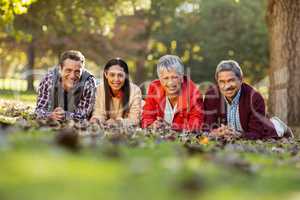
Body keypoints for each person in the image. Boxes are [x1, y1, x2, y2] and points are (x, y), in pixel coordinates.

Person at [203, 60, 293, 140]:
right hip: (234, 131)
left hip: (257, 129)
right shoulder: (211, 96)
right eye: (222, 82)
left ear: (241, 79)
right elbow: (208, 127)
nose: (227, 86)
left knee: (270, 132)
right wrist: (216, 132)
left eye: (231, 80)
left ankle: (278, 124)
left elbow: (256, 133)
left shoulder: (255, 98)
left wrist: (239, 135)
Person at [142, 55, 204, 132]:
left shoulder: (194, 94)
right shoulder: (154, 88)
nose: (170, 82)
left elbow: (196, 126)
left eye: (174, 77)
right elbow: (146, 117)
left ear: (181, 77)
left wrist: (171, 127)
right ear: (160, 79)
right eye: (166, 78)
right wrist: (152, 125)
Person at [35, 50, 96, 121]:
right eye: (68, 70)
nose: (72, 76)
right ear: (60, 69)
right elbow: (39, 110)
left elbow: (84, 116)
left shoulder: (88, 83)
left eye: (77, 71)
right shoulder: (49, 79)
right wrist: (50, 115)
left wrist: (65, 115)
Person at [90, 58, 142, 127]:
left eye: (120, 75)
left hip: (124, 127)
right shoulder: (99, 89)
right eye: (112, 75)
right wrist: (96, 120)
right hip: (107, 125)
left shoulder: (135, 91)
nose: (116, 79)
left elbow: (134, 119)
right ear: (106, 74)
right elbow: (99, 113)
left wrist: (118, 122)